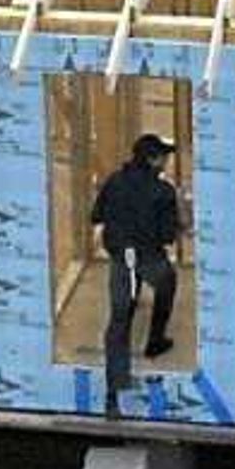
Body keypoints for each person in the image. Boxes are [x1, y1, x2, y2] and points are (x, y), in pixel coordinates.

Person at [90, 132, 186, 402]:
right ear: (152, 159)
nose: (167, 161)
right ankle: (155, 342)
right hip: (149, 258)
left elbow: (95, 216)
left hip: (122, 257)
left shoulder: (114, 181)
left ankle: (115, 383)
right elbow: (168, 236)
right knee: (167, 284)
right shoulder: (164, 192)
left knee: (120, 317)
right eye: (164, 156)